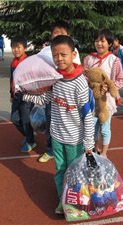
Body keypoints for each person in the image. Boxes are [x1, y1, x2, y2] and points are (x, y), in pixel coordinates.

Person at [50, 35, 94, 214]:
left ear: (73, 54)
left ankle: (77, 202)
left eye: (63, 54)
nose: (59, 59)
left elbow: (87, 115)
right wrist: (26, 94)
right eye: (55, 55)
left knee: (74, 173)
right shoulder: (53, 77)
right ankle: (64, 201)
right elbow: (47, 98)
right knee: (60, 170)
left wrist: (89, 142)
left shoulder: (79, 82)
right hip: (56, 136)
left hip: (74, 139)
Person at [38, 20, 81, 163]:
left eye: (62, 33)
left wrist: (88, 142)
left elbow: (77, 70)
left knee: (71, 119)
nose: (59, 58)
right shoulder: (44, 52)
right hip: (53, 93)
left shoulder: (74, 53)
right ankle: (50, 149)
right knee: (52, 121)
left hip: (69, 94)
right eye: (56, 33)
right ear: (51, 35)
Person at [83, 29, 123, 158]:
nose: (99, 43)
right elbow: (84, 77)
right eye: (97, 40)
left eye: (102, 41)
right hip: (91, 101)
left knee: (105, 128)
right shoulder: (88, 59)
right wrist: (90, 84)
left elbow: (121, 79)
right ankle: (95, 148)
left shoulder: (114, 60)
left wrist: (108, 87)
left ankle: (105, 153)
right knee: (92, 128)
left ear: (110, 43)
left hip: (106, 102)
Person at [10, 36, 36, 153]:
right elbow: (12, 79)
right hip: (16, 96)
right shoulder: (13, 62)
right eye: (13, 47)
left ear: (24, 48)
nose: (16, 50)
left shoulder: (28, 62)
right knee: (14, 118)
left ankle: (31, 141)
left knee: (26, 119)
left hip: (26, 96)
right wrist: (11, 93)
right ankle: (28, 135)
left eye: (18, 47)